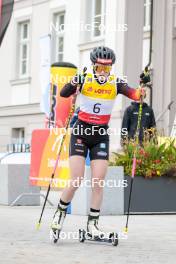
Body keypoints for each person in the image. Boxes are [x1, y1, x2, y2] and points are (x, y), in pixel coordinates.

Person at [50, 46, 147, 241]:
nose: (103, 72)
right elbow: (63, 93)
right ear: (93, 66)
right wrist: (74, 83)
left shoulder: (116, 83)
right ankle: (59, 214)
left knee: (98, 181)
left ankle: (92, 225)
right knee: (76, 179)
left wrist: (141, 92)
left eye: (107, 68)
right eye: (100, 68)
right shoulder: (85, 78)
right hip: (81, 132)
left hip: (100, 134)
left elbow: (135, 95)